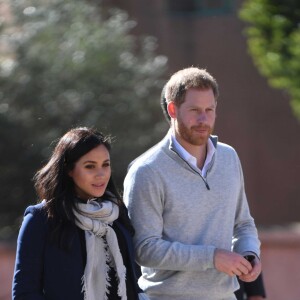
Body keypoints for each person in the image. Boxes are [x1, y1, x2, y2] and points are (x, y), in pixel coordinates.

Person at [123, 67, 262, 300]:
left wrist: (249, 253)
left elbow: (243, 224)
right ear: (172, 109)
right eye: (195, 110)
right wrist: (212, 257)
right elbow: (144, 248)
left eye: (209, 110)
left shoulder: (229, 158)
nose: (203, 119)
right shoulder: (147, 170)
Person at [12, 127, 147, 300]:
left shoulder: (118, 213)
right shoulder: (41, 219)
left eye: (106, 165)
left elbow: (134, 279)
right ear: (69, 169)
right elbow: (25, 292)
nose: (101, 174)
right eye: (90, 166)